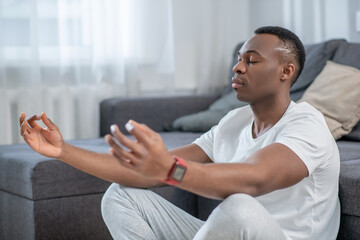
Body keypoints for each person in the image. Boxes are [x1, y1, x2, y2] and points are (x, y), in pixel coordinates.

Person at [19, 26, 340, 240]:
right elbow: (141, 172)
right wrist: (63, 150)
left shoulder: (306, 124)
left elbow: (254, 179)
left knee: (240, 207)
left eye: (252, 61)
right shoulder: (234, 122)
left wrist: (170, 169)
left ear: (287, 71)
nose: (238, 68)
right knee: (122, 194)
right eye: (238, 60)